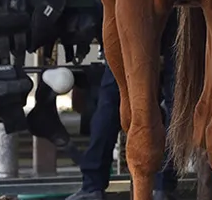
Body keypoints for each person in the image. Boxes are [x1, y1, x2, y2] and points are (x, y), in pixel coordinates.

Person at [68, 19, 178, 200]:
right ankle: (162, 185)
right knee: (175, 98)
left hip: (129, 16)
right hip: (178, 12)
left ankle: (92, 184)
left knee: (113, 97)